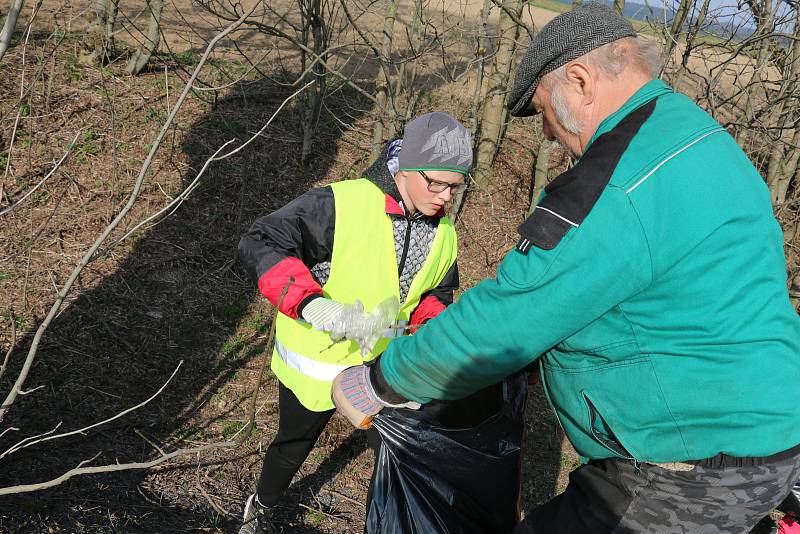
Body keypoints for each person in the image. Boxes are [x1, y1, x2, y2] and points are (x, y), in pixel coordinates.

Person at [331, 4, 800, 533]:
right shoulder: (696, 136)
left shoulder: (618, 183)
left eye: (544, 112)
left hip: (688, 460)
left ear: (579, 81)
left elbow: (512, 312)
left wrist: (383, 380)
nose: (549, 136)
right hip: (765, 430)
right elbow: (664, 290)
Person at [236, 112, 471, 534]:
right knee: (293, 445)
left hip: (384, 368)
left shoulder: (445, 233)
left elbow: (435, 294)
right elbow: (262, 240)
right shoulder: (341, 203)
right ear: (407, 167)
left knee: (396, 452)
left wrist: (426, 332)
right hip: (315, 364)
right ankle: (262, 509)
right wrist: (312, 305)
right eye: (436, 182)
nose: (445, 197)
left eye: (455, 186)